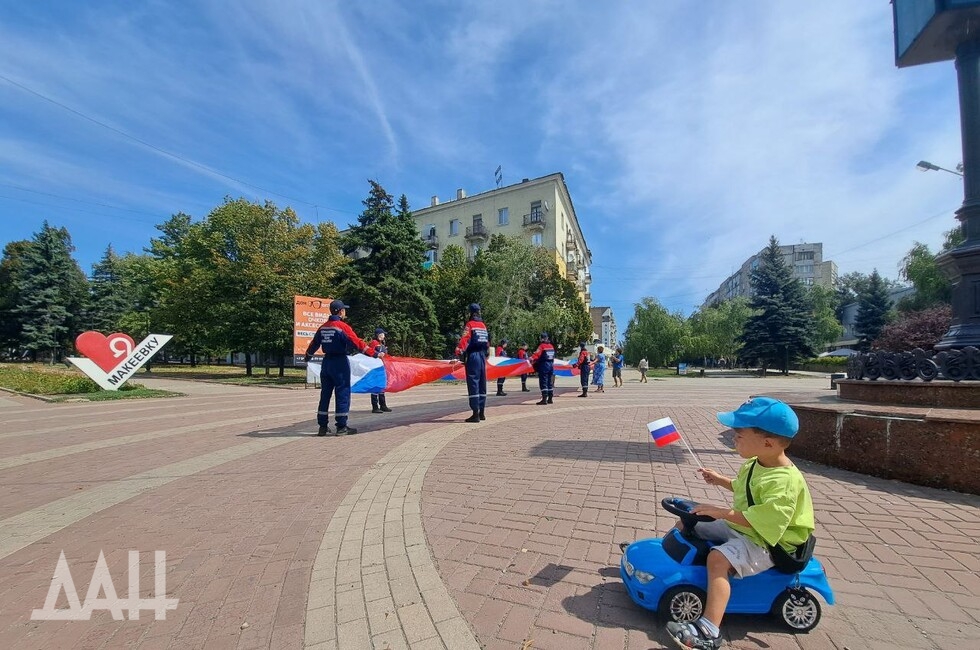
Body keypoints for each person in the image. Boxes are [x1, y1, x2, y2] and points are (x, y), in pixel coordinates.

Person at [665, 397, 814, 650]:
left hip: (768, 541)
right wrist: (719, 480)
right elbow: (744, 488)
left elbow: (764, 521)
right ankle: (665, 560)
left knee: (717, 559)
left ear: (767, 442)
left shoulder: (784, 482)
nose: (733, 438)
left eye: (739, 435)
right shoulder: (757, 463)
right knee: (689, 522)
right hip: (744, 527)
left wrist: (722, 512)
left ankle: (709, 630)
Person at [304, 299, 383, 436]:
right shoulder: (342, 327)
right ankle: (341, 426)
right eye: (344, 310)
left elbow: (314, 344)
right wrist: (374, 354)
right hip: (340, 363)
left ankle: (322, 426)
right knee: (342, 393)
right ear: (341, 311)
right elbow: (357, 342)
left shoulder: (323, 327)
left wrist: (308, 356)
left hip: (327, 362)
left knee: (325, 395)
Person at [455, 303, 490, 423]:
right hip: (482, 356)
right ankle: (482, 413)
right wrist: (487, 353)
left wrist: (459, 351)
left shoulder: (470, 325)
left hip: (473, 356)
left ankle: (475, 414)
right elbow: (487, 343)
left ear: (470, 312)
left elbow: (465, 339)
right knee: (481, 382)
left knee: (473, 382)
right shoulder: (483, 326)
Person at [366, 327, 392, 413]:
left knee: (381, 386)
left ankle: (383, 405)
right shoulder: (374, 343)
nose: (384, 336)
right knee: (375, 387)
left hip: (381, 367)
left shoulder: (382, 344)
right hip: (375, 367)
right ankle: (375, 407)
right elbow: (369, 352)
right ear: (378, 335)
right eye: (383, 334)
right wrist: (377, 354)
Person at [529, 332, 556, 405]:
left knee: (543, 381)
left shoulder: (542, 346)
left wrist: (531, 358)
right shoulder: (551, 346)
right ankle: (550, 398)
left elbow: (537, 354)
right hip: (551, 365)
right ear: (547, 338)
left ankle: (544, 399)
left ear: (542, 338)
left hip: (544, 365)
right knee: (549, 382)